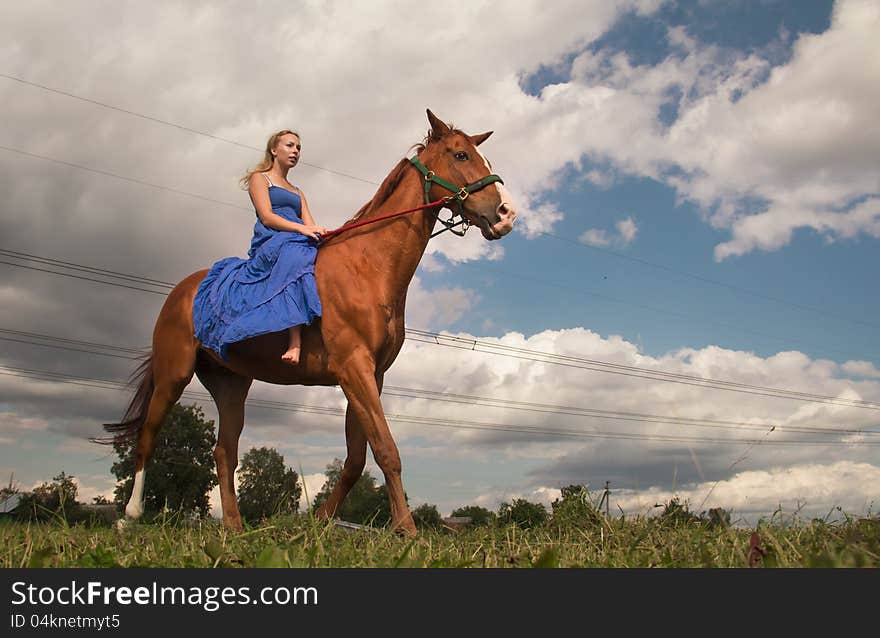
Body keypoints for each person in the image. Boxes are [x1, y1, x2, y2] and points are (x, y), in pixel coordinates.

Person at [193, 130, 327, 364]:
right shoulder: (260, 178)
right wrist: (301, 230)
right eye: (290, 145)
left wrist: (320, 231)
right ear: (274, 150)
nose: (295, 151)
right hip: (273, 239)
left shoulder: (298, 191)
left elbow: (309, 223)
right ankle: (294, 340)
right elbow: (267, 217)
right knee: (295, 255)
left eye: (298, 148)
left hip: (297, 236)